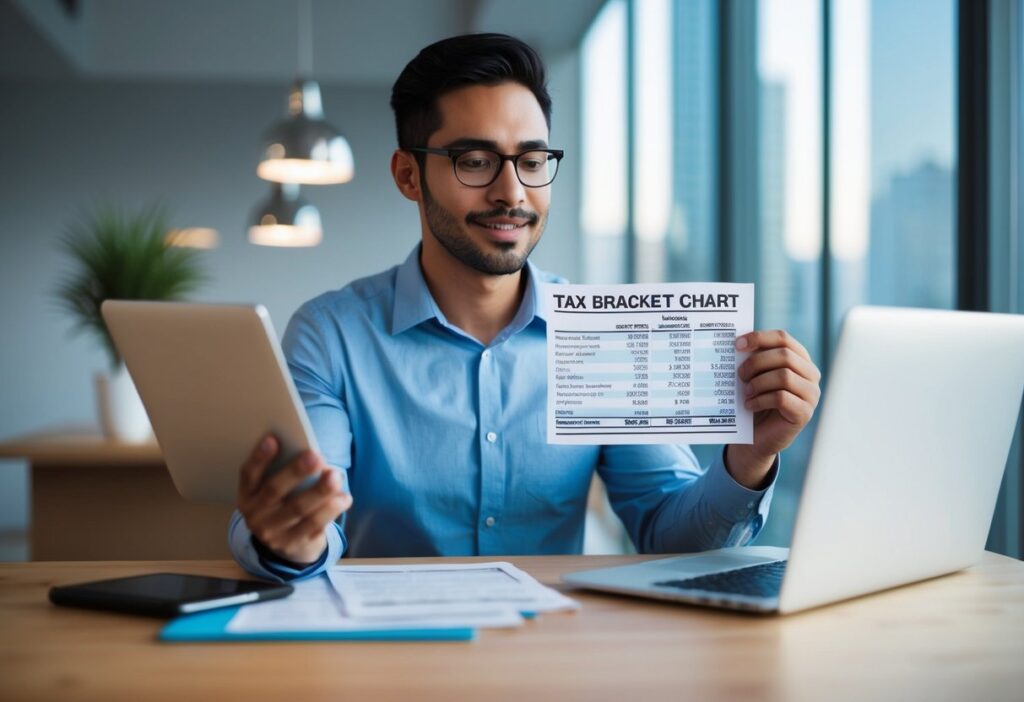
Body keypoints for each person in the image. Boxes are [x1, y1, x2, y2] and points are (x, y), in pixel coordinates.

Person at [229, 33, 821, 581]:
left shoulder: (605, 334)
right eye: (475, 160)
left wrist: (748, 457)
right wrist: (291, 536)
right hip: (391, 661)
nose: (512, 192)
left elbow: (671, 536)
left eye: (532, 161)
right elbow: (308, 521)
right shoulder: (331, 335)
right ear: (409, 175)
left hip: (552, 663)